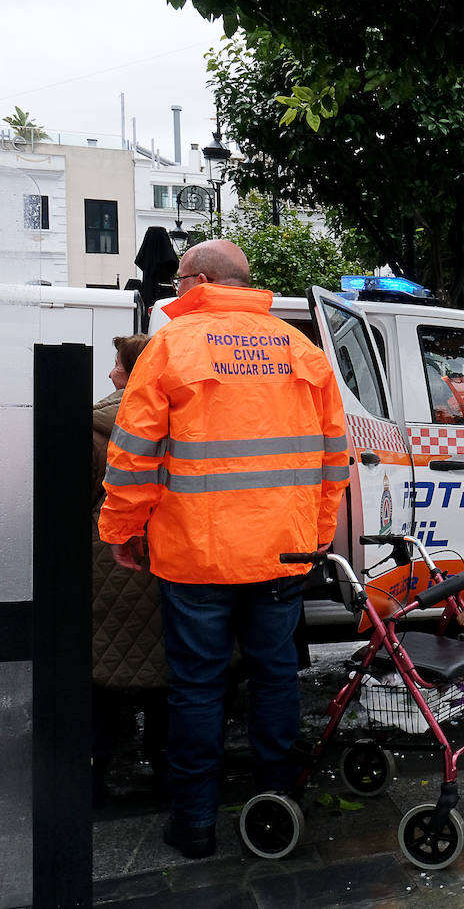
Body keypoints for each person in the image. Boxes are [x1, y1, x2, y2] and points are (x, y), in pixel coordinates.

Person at [99, 240, 349, 859]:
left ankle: (194, 825)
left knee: (197, 689)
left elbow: (132, 457)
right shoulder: (302, 351)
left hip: (196, 558)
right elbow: (333, 459)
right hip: (281, 556)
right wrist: (316, 536)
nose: (173, 294)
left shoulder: (169, 349)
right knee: (274, 680)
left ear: (202, 280)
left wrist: (122, 531)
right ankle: (277, 808)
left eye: (178, 282)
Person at [91, 333, 166, 806]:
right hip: (170, 564)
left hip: (107, 569)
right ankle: (164, 765)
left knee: (105, 673)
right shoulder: (183, 420)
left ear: (127, 372)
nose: (111, 373)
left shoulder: (95, 425)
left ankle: (114, 763)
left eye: (116, 366)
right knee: (166, 673)